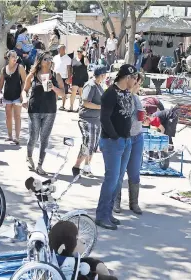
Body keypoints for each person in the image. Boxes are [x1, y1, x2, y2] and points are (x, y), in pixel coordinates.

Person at [95, 64, 137, 230]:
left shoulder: (127, 92)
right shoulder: (110, 94)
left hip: (126, 140)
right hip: (113, 142)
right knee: (111, 179)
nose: (135, 82)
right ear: (127, 77)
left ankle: (108, 212)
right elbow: (104, 119)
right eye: (134, 78)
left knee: (118, 180)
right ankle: (101, 215)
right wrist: (115, 137)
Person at [22, 51, 65, 175]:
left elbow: (63, 93)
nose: (48, 61)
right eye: (46, 59)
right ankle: (29, 157)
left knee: (45, 139)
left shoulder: (55, 75)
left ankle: (40, 165)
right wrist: (24, 99)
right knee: (33, 136)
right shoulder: (33, 75)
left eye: (50, 58)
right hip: (34, 109)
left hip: (50, 110)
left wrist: (53, 88)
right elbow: (24, 90)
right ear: (40, 62)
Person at [114, 73, 145, 215]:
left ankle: (134, 203)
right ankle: (116, 201)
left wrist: (146, 120)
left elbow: (139, 116)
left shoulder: (137, 97)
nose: (139, 86)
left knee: (134, 172)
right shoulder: (123, 97)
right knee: (119, 172)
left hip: (137, 136)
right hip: (125, 137)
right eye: (137, 83)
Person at [72, 66, 107, 177]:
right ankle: (77, 166)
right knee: (88, 144)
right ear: (101, 75)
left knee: (93, 145)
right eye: (104, 75)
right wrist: (101, 107)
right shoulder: (90, 85)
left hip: (96, 120)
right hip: (87, 119)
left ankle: (87, 167)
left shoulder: (98, 85)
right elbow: (85, 103)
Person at [0, 50, 27, 145]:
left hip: (17, 96)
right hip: (7, 96)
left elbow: (25, 82)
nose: (15, 58)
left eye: (16, 56)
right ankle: (10, 135)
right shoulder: (3, 69)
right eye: (13, 56)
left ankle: (17, 137)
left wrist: (23, 94)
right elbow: (1, 83)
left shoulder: (20, 67)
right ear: (8, 58)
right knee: (8, 116)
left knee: (17, 116)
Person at [68, 47, 89, 112]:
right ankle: (71, 106)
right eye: (78, 51)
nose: (79, 53)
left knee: (81, 93)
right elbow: (71, 69)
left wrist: (84, 55)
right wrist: (69, 77)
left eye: (81, 52)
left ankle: (80, 106)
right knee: (73, 91)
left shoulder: (84, 59)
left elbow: (87, 63)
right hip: (75, 78)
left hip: (83, 78)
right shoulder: (73, 60)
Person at [53, 44, 72, 111]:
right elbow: (53, 66)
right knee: (55, 91)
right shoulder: (55, 57)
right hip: (55, 77)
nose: (58, 50)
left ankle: (63, 105)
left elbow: (69, 69)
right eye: (58, 49)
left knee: (64, 92)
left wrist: (69, 78)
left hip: (64, 77)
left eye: (59, 48)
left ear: (63, 49)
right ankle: (54, 105)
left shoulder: (68, 58)